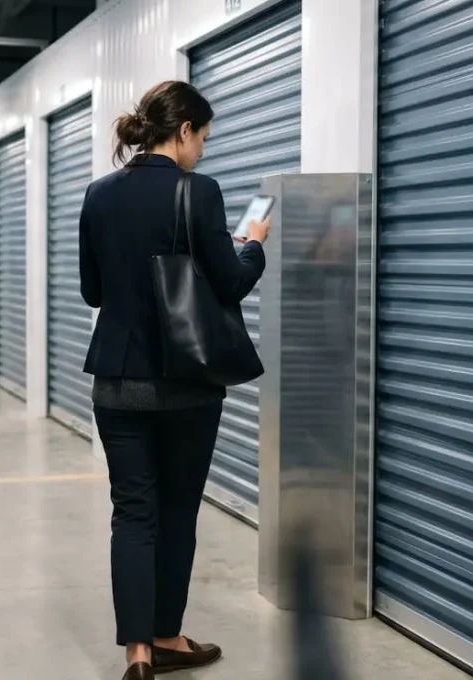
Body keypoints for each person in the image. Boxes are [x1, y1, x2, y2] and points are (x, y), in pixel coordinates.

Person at [78, 80, 271, 680]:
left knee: (132, 512)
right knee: (178, 511)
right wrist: (253, 247)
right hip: (185, 382)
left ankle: (137, 654)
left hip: (116, 377)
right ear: (183, 131)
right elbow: (231, 284)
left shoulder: (99, 193)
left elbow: (93, 292)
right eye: (204, 138)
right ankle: (168, 636)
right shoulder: (200, 193)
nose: (204, 152)